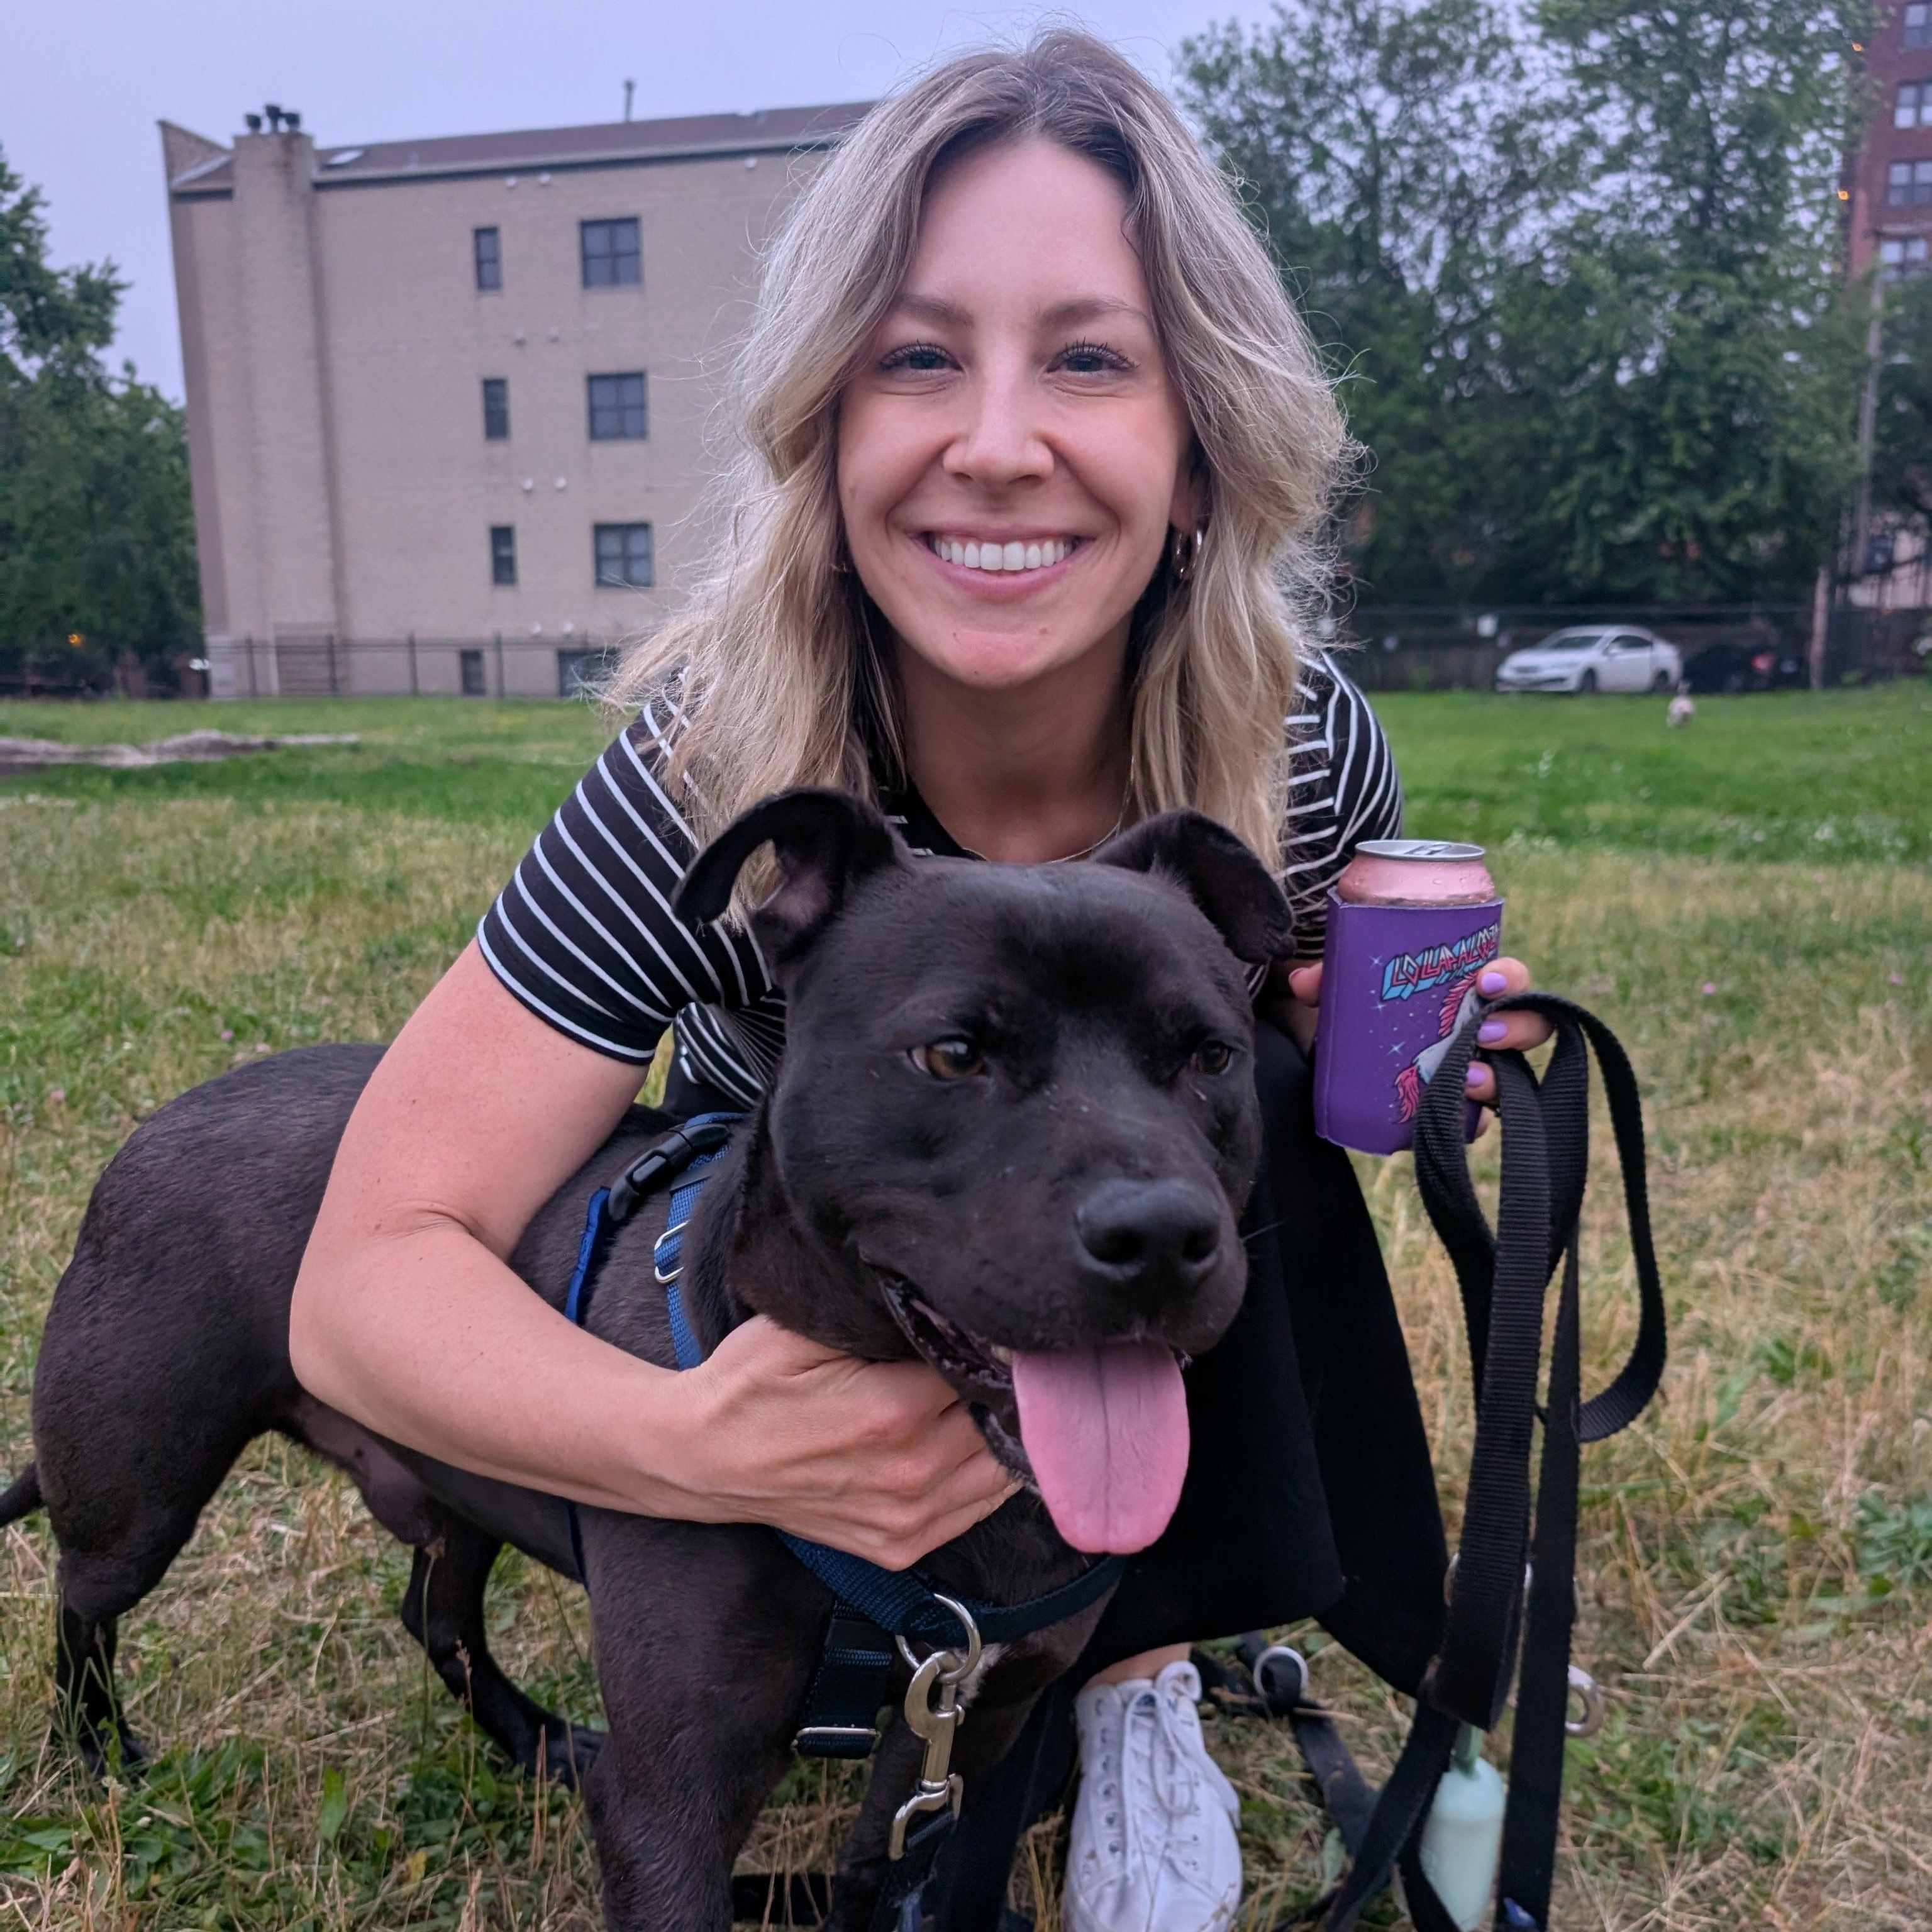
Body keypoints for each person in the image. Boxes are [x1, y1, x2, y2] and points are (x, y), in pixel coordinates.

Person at [290, 35, 1548, 1932]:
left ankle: (1142, 1668)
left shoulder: (1295, 750)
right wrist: (695, 1443)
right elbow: (359, 1284)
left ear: (1203, 438)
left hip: (1106, 1274)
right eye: (919, 356)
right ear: (828, 427)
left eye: (1091, 358)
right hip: (800, 1262)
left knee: (1237, 1111)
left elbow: (1302, 1115)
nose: (997, 439)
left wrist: (1416, 1064)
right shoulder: (708, 778)